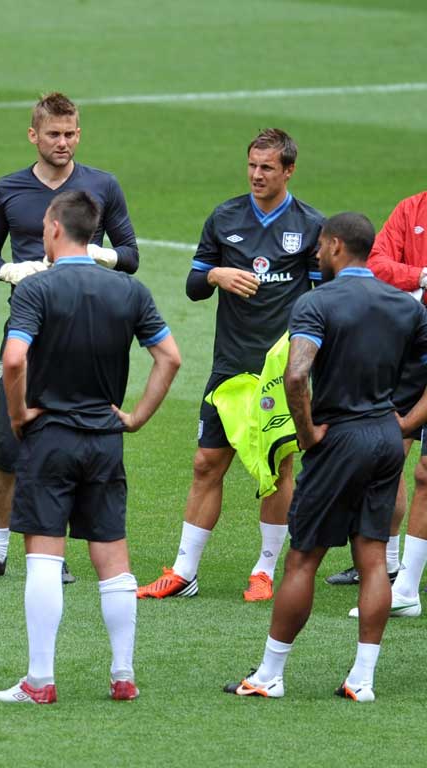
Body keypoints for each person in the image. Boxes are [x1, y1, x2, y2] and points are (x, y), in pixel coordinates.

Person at [225, 212, 427, 703]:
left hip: (338, 438)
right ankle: (363, 679)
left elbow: (296, 376)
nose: (316, 253)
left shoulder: (316, 303)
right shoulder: (405, 305)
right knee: (374, 557)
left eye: (321, 246)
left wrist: (309, 434)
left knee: (303, 558)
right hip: (385, 437)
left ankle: (270, 674)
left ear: (337, 246)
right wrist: (407, 423)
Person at [0, 190, 180, 704]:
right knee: (112, 557)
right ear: (94, 235)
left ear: (54, 229)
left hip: (49, 437)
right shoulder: (129, 291)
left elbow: (13, 361)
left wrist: (17, 413)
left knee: (45, 558)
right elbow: (170, 357)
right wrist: (137, 415)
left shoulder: (37, 290)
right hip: (104, 439)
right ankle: (122, 676)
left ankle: (40, 681)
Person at [0, 91, 139, 582]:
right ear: (33, 135)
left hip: (84, 335)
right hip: (26, 329)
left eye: (71, 133)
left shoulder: (102, 186)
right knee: (6, 446)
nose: (63, 142)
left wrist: (99, 256)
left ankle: (50, 555)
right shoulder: (9, 189)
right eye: (54, 134)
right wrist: (11, 271)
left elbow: (131, 255)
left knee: (66, 442)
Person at [137, 128, 323, 602]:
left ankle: (263, 571)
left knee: (279, 467)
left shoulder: (310, 225)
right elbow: (194, 284)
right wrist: (215, 273)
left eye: (267, 168)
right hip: (229, 367)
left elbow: (324, 300)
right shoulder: (225, 217)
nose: (257, 175)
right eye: (252, 166)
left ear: (288, 170)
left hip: (281, 372)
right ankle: (184, 572)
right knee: (206, 463)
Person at [326, 190, 427, 595]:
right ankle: (385, 565)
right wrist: (420, 276)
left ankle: (405, 579)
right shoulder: (411, 208)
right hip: (411, 350)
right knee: (386, 459)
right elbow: (378, 264)